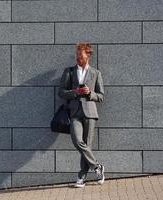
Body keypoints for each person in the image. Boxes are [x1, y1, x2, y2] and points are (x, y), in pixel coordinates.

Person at [58, 42, 105, 188]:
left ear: (88, 55)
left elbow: (101, 96)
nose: (78, 58)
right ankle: (97, 166)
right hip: (74, 112)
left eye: (80, 55)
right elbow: (61, 92)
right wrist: (75, 92)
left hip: (90, 113)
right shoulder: (69, 72)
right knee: (78, 141)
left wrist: (89, 93)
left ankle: (81, 177)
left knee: (87, 144)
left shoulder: (96, 73)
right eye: (77, 55)